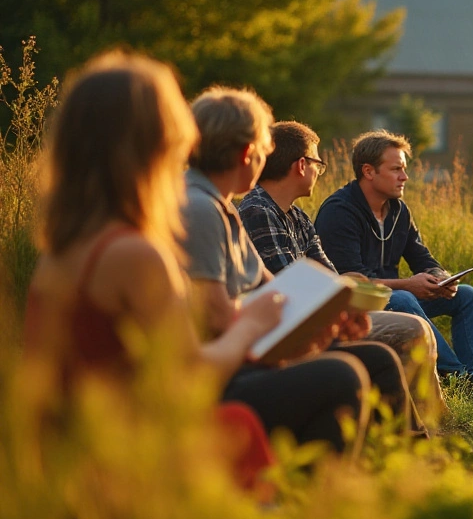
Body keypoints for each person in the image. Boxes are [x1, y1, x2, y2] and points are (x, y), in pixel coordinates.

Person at [22, 52, 290, 490]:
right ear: (158, 146)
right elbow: (191, 381)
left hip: (66, 457)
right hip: (122, 465)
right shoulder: (135, 254)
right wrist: (250, 327)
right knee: (330, 382)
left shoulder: (61, 249)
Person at [182, 87, 404, 454]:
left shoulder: (222, 207)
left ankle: (380, 469)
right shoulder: (200, 210)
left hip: (246, 354)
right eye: (264, 149)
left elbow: (275, 289)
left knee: (377, 359)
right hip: (222, 374)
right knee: (341, 374)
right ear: (246, 153)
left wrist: (332, 313)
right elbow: (218, 318)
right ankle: (334, 486)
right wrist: (301, 326)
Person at [237, 120, 448, 424]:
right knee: (412, 328)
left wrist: (347, 288)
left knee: (417, 323)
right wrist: (342, 297)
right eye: (317, 164)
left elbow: (332, 277)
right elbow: (288, 289)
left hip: (315, 317)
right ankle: (427, 425)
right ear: (300, 165)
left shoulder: (296, 216)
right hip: (288, 328)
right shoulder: (258, 211)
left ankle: (425, 423)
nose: (318, 172)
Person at [314, 130, 473, 400]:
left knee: (468, 296)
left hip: (397, 297)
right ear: (369, 171)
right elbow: (351, 281)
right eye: (396, 169)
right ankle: (457, 378)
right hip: (357, 306)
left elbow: (422, 257)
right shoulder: (339, 212)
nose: (404, 177)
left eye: (404, 169)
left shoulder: (398, 210)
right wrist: (408, 285)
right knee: (404, 298)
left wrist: (440, 277)